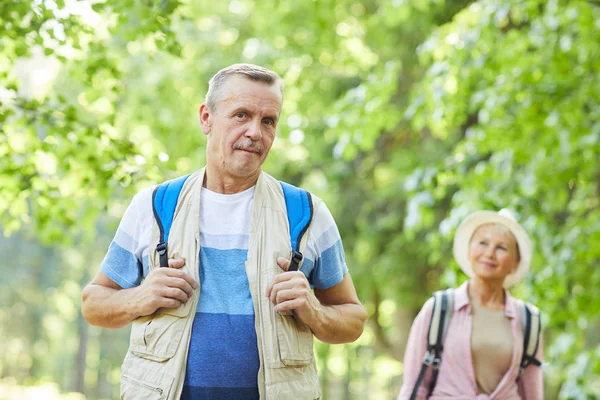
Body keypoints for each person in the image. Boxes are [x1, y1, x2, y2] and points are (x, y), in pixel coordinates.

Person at [81, 63, 367, 400]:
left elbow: (353, 319)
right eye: (241, 115)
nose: (255, 132)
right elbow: (93, 304)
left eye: (268, 121)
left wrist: (314, 311)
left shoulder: (306, 212)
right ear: (206, 118)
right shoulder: (155, 206)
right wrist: (140, 296)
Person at [397, 210, 543, 400]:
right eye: (483, 243)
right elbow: (413, 388)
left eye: (502, 248)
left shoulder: (528, 319)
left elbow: (532, 394)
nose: (489, 253)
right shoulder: (439, 309)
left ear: (516, 262)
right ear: (469, 250)